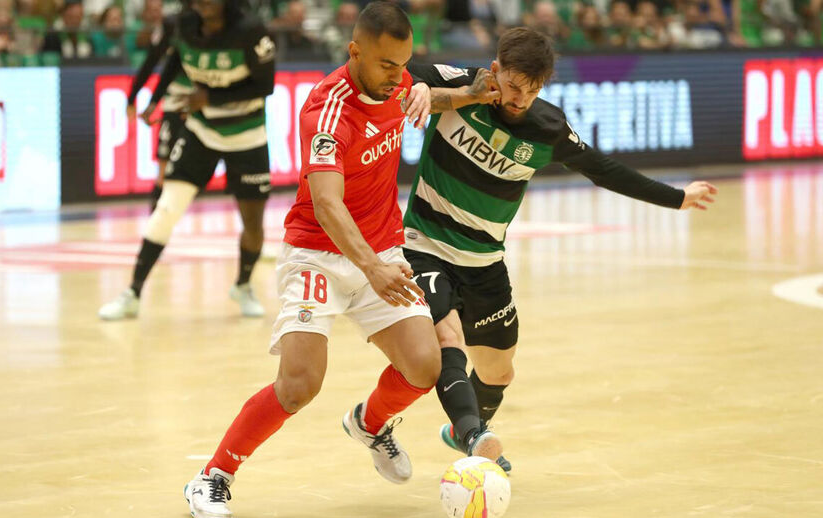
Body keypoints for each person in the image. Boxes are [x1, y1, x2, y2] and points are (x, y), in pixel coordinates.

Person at [404, 27, 718, 473]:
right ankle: (474, 436)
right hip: (425, 244)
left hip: (484, 262)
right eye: (513, 86)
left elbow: (604, 170)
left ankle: (460, 431)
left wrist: (677, 197)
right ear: (495, 70)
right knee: (447, 338)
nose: (520, 99)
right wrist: (421, 88)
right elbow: (398, 74)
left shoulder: (548, 129)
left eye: (532, 91)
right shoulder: (460, 83)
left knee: (498, 373)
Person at [180, 3, 447, 517]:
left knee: (423, 365)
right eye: (387, 65)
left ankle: (369, 423)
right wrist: (371, 268)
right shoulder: (327, 109)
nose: (397, 76)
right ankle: (212, 476)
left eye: (404, 65)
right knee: (300, 385)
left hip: (379, 249)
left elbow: (444, 94)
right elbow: (326, 204)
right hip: (318, 254)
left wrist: (458, 91)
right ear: (354, 51)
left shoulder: (398, 83)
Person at [98, 0, 276, 320]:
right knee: (167, 208)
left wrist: (210, 97)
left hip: (247, 135)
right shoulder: (183, 24)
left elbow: (265, 85)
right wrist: (154, 99)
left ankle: (243, 285)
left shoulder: (250, 31)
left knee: (252, 223)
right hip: (201, 130)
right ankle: (133, 292)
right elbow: (173, 62)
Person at [125, 0, 193, 211]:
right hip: (177, 98)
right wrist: (136, 98)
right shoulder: (173, 24)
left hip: (207, 99)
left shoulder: (219, 24)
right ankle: (156, 221)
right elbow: (155, 62)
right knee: (164, 164)